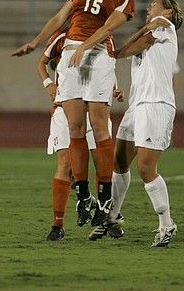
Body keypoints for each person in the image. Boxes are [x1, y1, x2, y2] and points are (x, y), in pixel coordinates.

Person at [13, 0, 137, 231]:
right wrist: (35, 42)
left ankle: (105, 197)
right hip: (71, 53)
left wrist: (85, 46)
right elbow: (60, 17)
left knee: (100, 124)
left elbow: (109, 28)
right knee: (75, 129)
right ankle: (83, 195)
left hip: (98, 54)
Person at [91, 0, 183, 246]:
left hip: (156, 105)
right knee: (119, 163)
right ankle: (112, 216)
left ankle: (166, 224)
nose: (149, 8)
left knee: (145, 169)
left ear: (168, 10)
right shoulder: (152, 32)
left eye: (154, 4)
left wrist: (116, 51)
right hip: (137, 106)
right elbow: (136, 44)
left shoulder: (166, 26)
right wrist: (117, 52)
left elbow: (142, 39)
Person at [38, 26, 122, 241]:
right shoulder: (62, 36)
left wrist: (115, 88)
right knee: (64, 165)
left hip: (93, 108)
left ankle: (108, 217)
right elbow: (41, 62)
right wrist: (48, 83)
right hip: (65, 109)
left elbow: (108, 68)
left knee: (100, 161)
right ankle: (57, 225)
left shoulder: (104, 36)